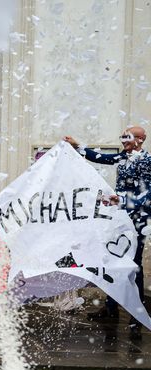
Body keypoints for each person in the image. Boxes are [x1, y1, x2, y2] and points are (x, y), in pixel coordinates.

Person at [64, 127, 151, 340]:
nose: (124, 141)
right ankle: (111, 308)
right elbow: (101, 157)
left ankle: (136, 314)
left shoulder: (147, 161)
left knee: (133, 266)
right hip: (119, 219)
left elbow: (148, 195)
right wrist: (77, 147)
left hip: (137, 221)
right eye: (122, 136)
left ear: (140, 139)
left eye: (128, 137)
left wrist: (123, 201)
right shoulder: (123, 156)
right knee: (112, 261)